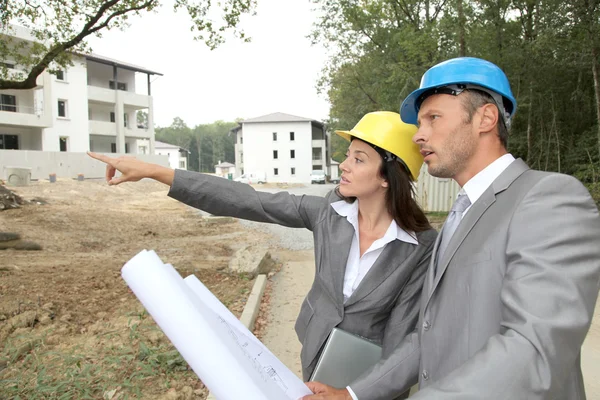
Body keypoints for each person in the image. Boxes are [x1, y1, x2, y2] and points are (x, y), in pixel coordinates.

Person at [303, 57, 600, 400]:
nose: (418, 135)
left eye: (433, 118)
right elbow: (428, 337)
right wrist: (352, 394)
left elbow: (533, 349)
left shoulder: (548, 198)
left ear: (485, 118)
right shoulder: (455, 221)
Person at [88, 111, 438, 398]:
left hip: (370, 382)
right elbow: (247, 200)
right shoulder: (327, 214)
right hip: (316, 355)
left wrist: (353, 394)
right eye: (347, 155)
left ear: (387, 177)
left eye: (358, 159)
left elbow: (406, 339)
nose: (344, 165)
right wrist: (155, 172)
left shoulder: (421, 247)